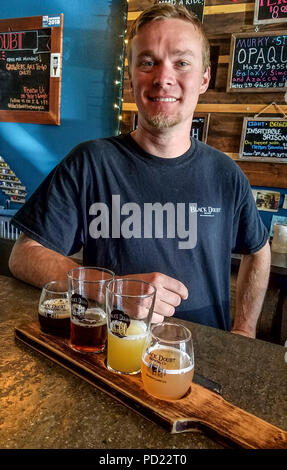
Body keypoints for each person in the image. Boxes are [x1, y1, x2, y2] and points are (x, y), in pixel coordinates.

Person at [9, 4, 270, 337]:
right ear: (131, 77)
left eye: (182, 63)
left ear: (204, 77)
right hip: (112, 353)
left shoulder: (225, 174)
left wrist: (245, 331)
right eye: (148, 62)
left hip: (202, 359)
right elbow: (25, 255)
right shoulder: (91, 163)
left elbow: (258, 251)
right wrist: (111, 289)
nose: (163, 78)